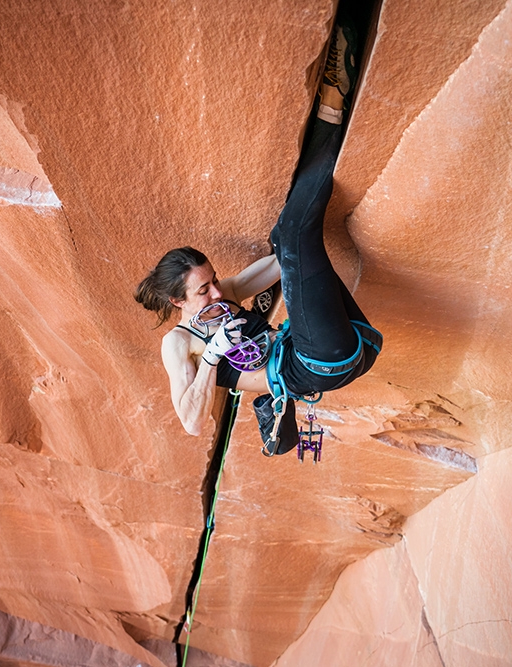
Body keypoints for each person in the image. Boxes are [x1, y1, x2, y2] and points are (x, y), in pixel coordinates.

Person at [134, 14, 382, 454]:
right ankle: (332, 106)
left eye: (213, 280)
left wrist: (288, 251)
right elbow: (191, 423)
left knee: (286, 236)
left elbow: (277, 263)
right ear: (178, 301)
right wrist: (211, 355)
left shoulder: (226, 292)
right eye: (203, 289)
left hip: (353, 345)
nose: (216, 292)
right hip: (315, 364)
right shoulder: (179, 344)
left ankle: (330, 109)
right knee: (293, 231)